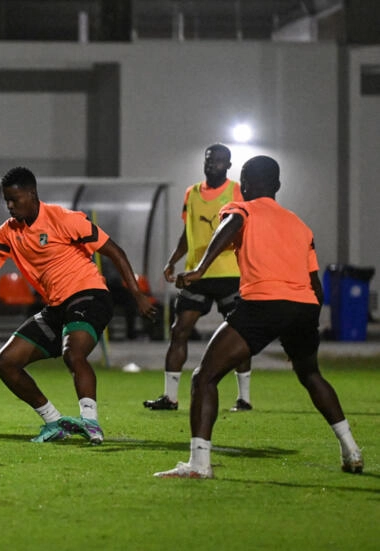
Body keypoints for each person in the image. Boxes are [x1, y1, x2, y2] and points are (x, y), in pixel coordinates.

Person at [155, 155, 363, 478]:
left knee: (204, 377)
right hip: (304, 306)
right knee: (311, 376)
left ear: (245, 184)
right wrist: (308, 323)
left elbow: (231, 225)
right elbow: (316, 285)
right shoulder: (301, 225)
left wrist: (198, 269)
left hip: (264, 302)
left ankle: (198, 465)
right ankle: (351, 449)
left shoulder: (241, 208)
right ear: (278, 186)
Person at [0, 166, 156, 445]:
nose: (10, 206)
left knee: (73, 354)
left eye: (15, 200)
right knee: (5, 362)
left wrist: (137, 295)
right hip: (55, 306)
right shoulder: (8, 232)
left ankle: (91, 423)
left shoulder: (63, 218)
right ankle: (54, 421)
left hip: (89, 294)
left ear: (32, 194)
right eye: (6, 201)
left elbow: (114, 252)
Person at [145, 144, 253, 412]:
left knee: (240, 333)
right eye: (209, 160)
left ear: (228, 165)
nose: (212, 164)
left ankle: (244, 398)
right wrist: (172, 260)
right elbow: (188, 232)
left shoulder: (236, 191)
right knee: (179, 330)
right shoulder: (191, 193)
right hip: (196, 275)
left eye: (218, 161)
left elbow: (246, 227)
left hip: (229, 273)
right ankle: (170, 397)